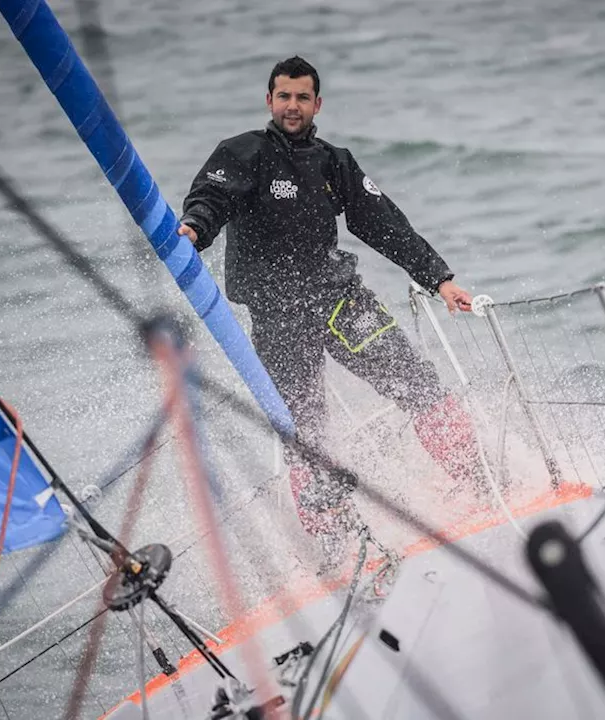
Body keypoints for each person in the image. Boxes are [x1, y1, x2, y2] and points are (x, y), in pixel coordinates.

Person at [177, 56, 487, 558]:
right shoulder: (244, 152)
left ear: (317, 104)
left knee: (418, 383)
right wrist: (194, 229)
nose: (292, 106)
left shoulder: (333, 162)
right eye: (284, 96)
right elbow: (211, 198)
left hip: (338, 300)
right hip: (277, 314)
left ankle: (481, 481)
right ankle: (340, 547)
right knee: (307, 435)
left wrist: (440, 279)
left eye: (302, 97)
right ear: (269, 100)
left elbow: (383, 223)